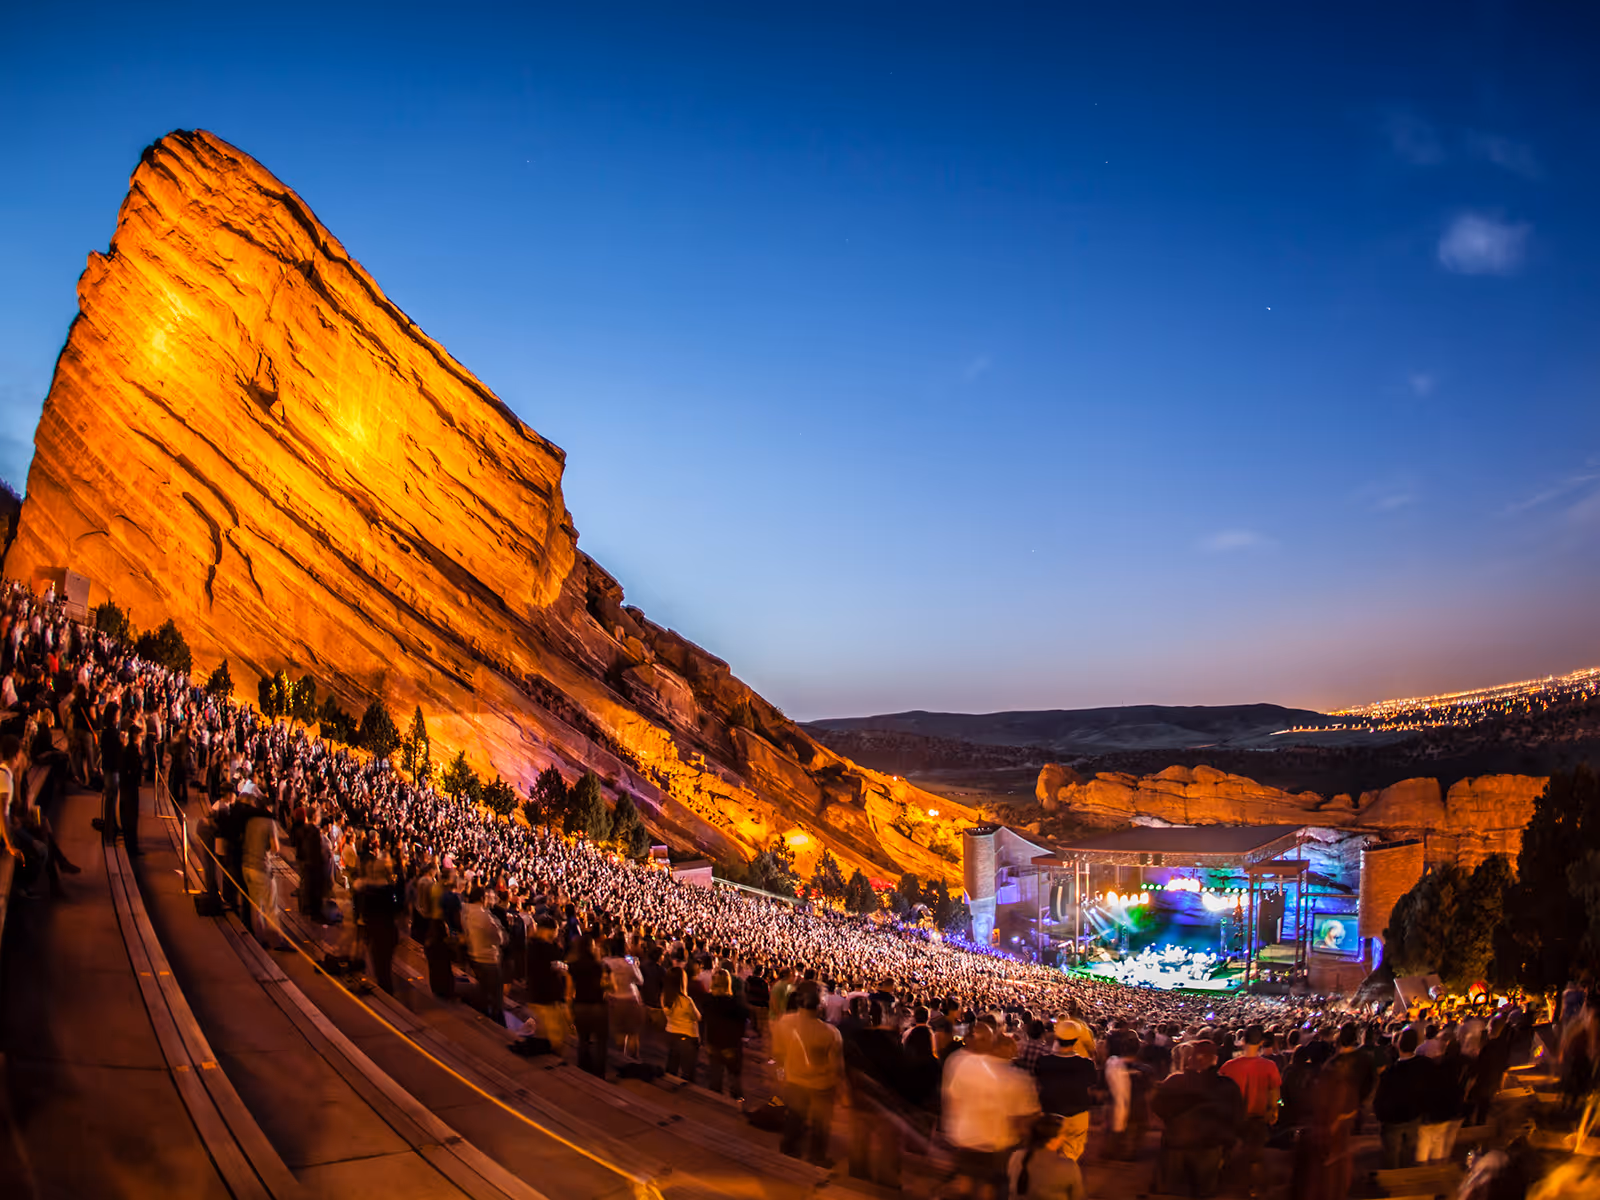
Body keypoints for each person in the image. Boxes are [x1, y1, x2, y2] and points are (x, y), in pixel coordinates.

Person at [941, 1021, 1041, 1199]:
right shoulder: (1017, 1079)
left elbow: (952, 1100)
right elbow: (1025, 1119)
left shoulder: (962, 1062)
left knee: (964, 1185)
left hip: (965, 1138)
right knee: (990, 1190)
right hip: (996, 1145)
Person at [1150, 1039, 1244, 1198]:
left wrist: (1172, 1123)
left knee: (1170, 1191)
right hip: (1209, 1147)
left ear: (1190, 1059)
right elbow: (1236, 1117)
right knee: (1203, 1192)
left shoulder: (1175, 1081)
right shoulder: (1227, 1086)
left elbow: (1158, 1107)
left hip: (1176, 1145)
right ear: (1215, 1060)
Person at [774, 981, 845, 1168]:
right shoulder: (831, 1033)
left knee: (794, 1119)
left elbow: (778, 1054)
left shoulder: (784, 1022)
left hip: (794, 1081)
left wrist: (781, 1077)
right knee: (821, 1125)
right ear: (821, 1004)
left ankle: (788, 1154)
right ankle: (817, 1157)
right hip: (822, 1086)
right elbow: (837, 1068)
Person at [1220, 1024, 1281, 1192]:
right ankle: (1253, 1190)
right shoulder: (1270, 1066)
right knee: (1255, 1157)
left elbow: (1220, 1092)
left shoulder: (1228, 1066)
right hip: (1257, 1118)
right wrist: (1275, 1110)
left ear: (1243, 1041)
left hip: (1233, 1118)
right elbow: (1275, 1092)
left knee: (1230, 1154)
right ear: (1261, 1042)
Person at [1034, 1018, 1096, 1163]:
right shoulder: (1086, 1064)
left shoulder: (1044, 1061)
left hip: (1050, 1113)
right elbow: (1091, 1083)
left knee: (1047, 1153)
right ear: (1076, 1040)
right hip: (1077, 1114)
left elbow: (1039, 1082)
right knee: (1070, 1156)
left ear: (1057, 1038)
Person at [1374, 1027, 1435, 1168]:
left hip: (1394, 1120)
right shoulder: (1425, 1064)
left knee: (1392, 1154)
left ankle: (1395, 1177)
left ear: (1398, 1045)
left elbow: (1381, 1098)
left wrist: (1381, 1116)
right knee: (1408, 1151)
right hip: (1415, 1115)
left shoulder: (1391, 1072)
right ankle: (1405, 1173)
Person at [701, 968, 750, 1101]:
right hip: (731, 1046)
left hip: (713, 1043)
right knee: (734, 1078)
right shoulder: (735, 1003)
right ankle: (738, 1104)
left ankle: (715, 1103)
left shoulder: (707, 1000)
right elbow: (743, 1023)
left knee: (715, 1077)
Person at [462, 884, 507, 1024]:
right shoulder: (485, 916)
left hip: (473, 954)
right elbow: (500, 939)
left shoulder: (464, 910)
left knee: (483, 987)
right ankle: (496, 1021)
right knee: (495, 993)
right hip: (488, 958)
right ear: (482, 899)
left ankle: (481, 1013)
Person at [567, 935, 610, 1078]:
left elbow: (569, 990)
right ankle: (599, 1073)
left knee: (583, 1039)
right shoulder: (600, 965)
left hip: (580, 1005)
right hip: (597, 1006)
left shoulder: (573, 965)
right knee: (600, 1042)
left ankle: (583, 1070)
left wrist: (569, 1007)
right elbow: (605, 985)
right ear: (591, 947)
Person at [1015, 1114, 1087, 1200]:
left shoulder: (1017, 1158)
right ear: (1053, 1140)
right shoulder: (1068, 1167)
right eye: (1062, 1134)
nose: (1064, 1138)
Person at [526, 916, 571, 1050]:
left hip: (534, 994)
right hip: (548, 997)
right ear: (550, 930)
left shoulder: (531, 944)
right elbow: (562, 969)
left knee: (542, 1033)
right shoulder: (549, 949)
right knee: (555, 1038)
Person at [663, 966, 701, 1083]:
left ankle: (669, 1085)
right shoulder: (686, 1000)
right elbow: (697, 1017)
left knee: (672, 1064)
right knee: (688, 1069)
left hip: (671, 1032)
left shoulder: (665, 997)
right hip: (687, 1035)